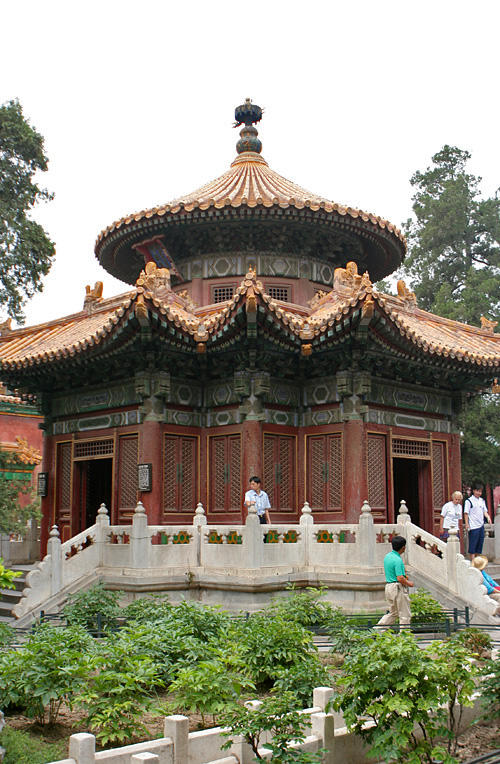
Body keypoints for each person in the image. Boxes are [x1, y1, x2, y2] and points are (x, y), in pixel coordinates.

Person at [375, 535, 414, 631]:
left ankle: (376, 631)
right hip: (397, 587)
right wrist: (409, 583)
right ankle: (405, 637)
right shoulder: (398, 560)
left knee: (393, 613)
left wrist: (404, 577)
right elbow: (400, 578)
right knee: (405, 614)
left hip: (389, 586)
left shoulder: (387, 557)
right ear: (403, 547)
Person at [464, 481, 491, 559]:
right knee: (473, 546)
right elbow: (466, 513)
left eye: (480, 491)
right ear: (474, 490)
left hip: (481, 526)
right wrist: (467, 524)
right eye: (478, 491)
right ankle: (473, 563)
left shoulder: (482, 501)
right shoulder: (469, 501)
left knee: (479, 546)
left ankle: (478, 563)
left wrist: (488, 517)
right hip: (473, 526)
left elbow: (484, 511)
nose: (479, 493)